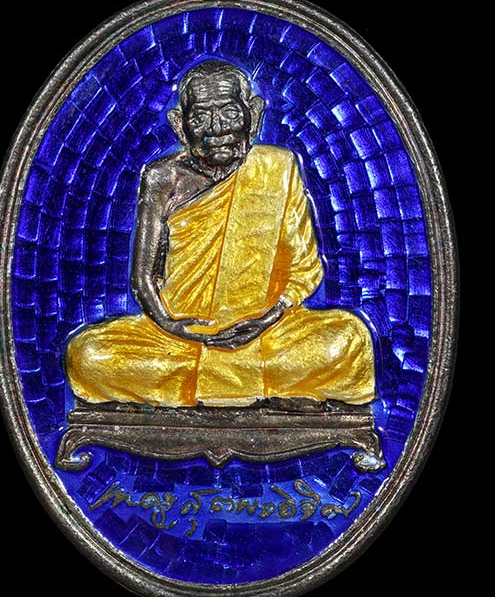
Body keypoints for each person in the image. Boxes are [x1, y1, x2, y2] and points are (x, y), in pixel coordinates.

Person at [65, 61, 376, 409]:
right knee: (87, 355)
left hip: (266, 334)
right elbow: (142, 279)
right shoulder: (162, 178)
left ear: (253, 116)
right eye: (200, 117)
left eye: (230, 113)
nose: (217, 130)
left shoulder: (277, 168)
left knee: (349, 339)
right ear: (180, 125)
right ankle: (267, 388)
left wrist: (268, 317)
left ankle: (201, 388)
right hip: (180, 338)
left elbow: (304, 270)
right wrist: (171, 325)